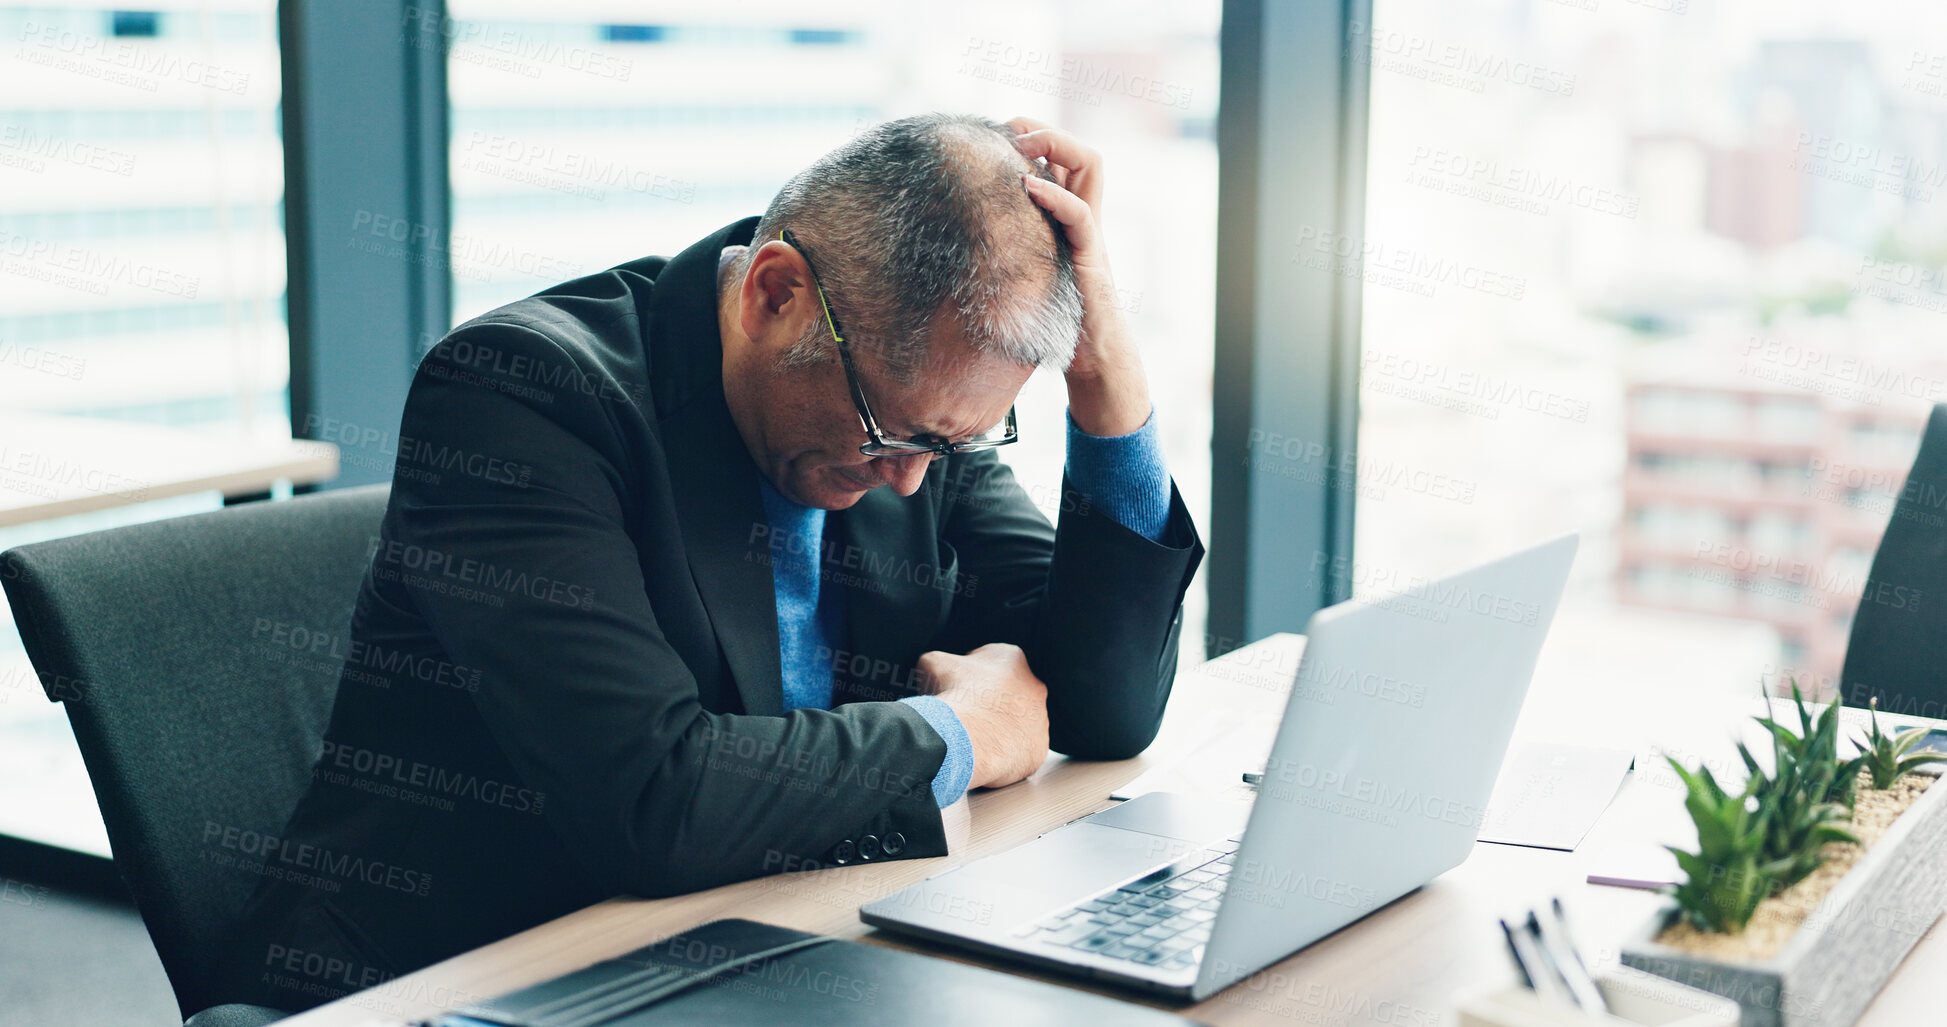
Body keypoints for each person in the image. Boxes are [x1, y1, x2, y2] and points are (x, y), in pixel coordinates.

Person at [217, 113, 1203, 1011]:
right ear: (776, 294)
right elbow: (651, 798)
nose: (908, 482)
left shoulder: (917, 411)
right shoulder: (522, 397)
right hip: (463, 978)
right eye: (886, 436)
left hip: (755, 945)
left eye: (941, 448)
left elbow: (1097, 706)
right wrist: (953, 734)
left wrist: (1105, 373)